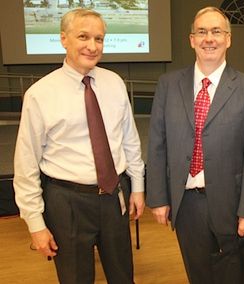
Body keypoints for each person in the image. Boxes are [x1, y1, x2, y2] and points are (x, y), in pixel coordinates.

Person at [13, 8, 145, 283]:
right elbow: (25, 164)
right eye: (83, 36)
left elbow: (130, 140)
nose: (92, 46)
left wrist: (138, 188)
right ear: (64, 39)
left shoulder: (115, 83)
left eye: (99, 38)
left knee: (124, 276)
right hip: (67, 202)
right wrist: (36, 225)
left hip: (114, 196)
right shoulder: (40, 94)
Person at [146, 6, 244, 284]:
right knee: (198, 275)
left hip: (233, 203)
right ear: (191, 39)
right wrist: (159, 197)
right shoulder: (168, 84)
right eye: (201, 32)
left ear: (229, 39)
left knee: (237, 275)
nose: (209, 38)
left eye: (216, 31)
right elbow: (156, 144)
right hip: (186, 204)